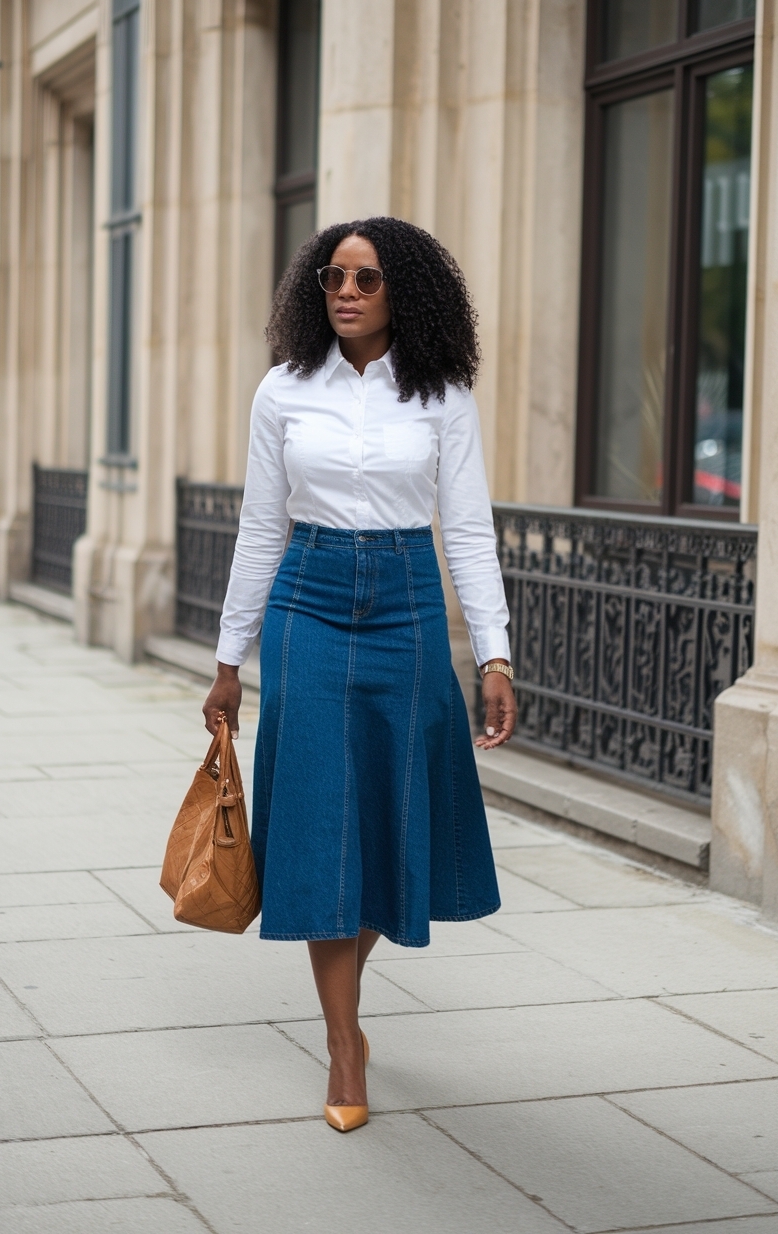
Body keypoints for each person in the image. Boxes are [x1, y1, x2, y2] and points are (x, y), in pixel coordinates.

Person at [202, 217, 517, 1132]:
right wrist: (229, 661)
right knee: (319, 820)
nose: (343, 291)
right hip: (309, 598)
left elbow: (465, 533)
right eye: (332, 277)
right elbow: (261, 529)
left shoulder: (443, 395)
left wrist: (493, 653)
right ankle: (345, 1043)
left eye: (366, 279)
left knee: (392, 816)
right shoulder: (283, 391)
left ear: (402, 292)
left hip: (409, 606)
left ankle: (349, 992)